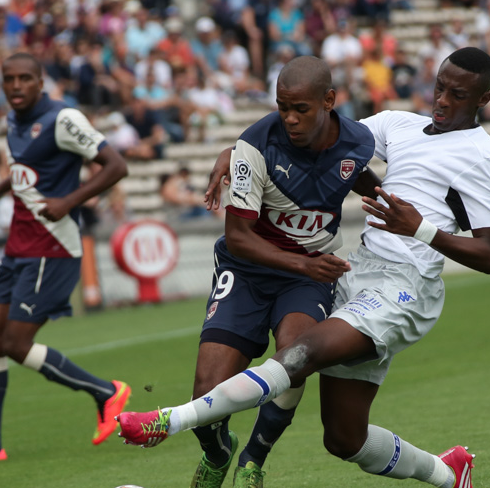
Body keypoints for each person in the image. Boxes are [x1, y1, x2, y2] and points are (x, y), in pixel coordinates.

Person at [119, 47, 490, 488]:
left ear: (483, 99)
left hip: (406, 286)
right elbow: (326, 136)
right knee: (344, 438)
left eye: (457, 94)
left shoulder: (482, 157)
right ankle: (449, 473)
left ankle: (171, 421)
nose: (441, 101)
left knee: (300, 353)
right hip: (357, 271)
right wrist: (240, 151)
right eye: (439, 87)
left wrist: (420, 231)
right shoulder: (399, 125)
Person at [138, 56, 379, 488]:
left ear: (329, 101)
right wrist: (306, 262)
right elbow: (240, 237)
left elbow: (354, 172)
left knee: (296, 357)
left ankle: (253, 459)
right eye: (282, 106)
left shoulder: (358, 141)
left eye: (300, 109)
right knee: (205, 394)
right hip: (248, 270)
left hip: (308, 278)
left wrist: (383, 197)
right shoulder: (254, 146)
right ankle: (219, 451)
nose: (288, 118)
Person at [0, 53, 131, 464]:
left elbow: (116, 165)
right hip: (18, 246)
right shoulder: (13, 120)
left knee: (14, 342)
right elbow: (28, 166)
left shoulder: (64, 119)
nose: (17, 86)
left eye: (26, 78)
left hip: (52, 247)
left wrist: (69, 201)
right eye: (9, 79)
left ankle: (106, 392)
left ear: (41, 81)